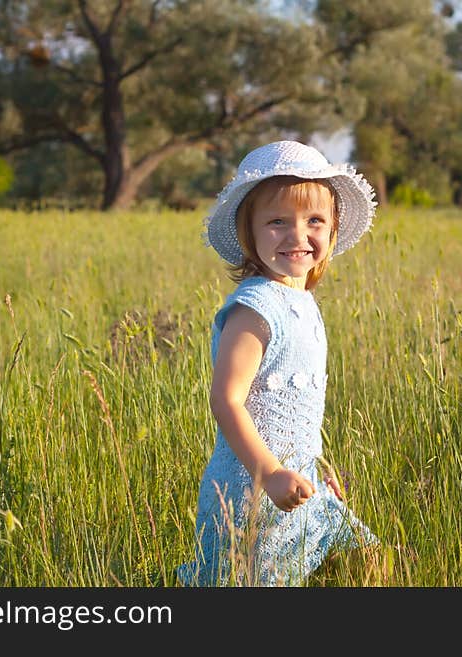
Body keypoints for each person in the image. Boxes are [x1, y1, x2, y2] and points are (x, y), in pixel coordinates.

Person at [176, 140, 379, 586]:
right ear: (249, 232)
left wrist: (317, 472)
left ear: (333, 229)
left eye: (314, 221)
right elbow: (227, 399)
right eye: (277, 222)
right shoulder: (254, 309)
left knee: (371, 561)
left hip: (299, 481)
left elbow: (295, 405)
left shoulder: (302, 300)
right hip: (252, 488)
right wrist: (268, 472)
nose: (298, 235)